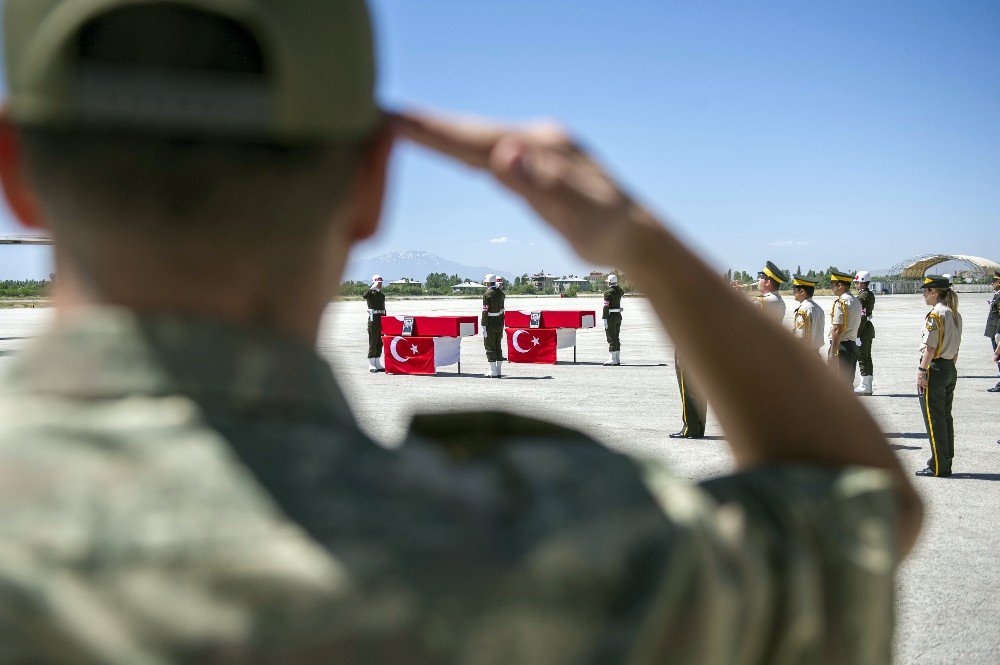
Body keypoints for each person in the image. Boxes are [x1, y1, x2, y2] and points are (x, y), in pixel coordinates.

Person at [0, 1, 922, 662]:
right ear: (370, 189)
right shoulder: (538, 553)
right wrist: (640, 243)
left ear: (15, 171)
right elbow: (856, 509)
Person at [916, 275, 963, 477]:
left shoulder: (936, 315)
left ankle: (938, 465)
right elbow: (956, 347)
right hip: (949, 367)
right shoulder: (954, 314)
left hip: (935, 369)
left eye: (926, 291)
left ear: (934, 292)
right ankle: (946, 459)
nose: (924, 295)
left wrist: (922, 371)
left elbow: (930, 347)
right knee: (945, 418)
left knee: (934, 419)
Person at [828, 270, 863, 384]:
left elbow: (837, 329)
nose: (832, 288)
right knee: (848, 384)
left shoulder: (841, 303)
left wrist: (832, 353)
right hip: (852, 346)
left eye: (833, 285)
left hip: (841, 348)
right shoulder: (856, 301)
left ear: (840, 285)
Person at [854, 271, 876, 395]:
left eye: (857, 283)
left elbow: (862, 317)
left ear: (862, 283)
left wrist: (857, 334)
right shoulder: (870, 294)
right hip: (867, 329)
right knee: (867, 357)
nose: (856, 285)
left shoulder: (862, 297)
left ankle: (865, 386)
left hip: (862, 330)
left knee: (862, 358)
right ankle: (867, 385)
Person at [791, 274, 825, 354]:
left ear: (802, 291)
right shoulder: (818, 309)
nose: (793, 292)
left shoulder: (802, 310)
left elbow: (800, 337)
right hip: (816, 353)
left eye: (795, 289)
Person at [481, 272, 505, 377]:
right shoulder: (501, 293)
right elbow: (502, 311)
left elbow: (485, 311)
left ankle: (493, 371)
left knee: (489, 346)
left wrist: (483, 325)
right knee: (498, 346)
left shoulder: (487, 294)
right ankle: (499, 370)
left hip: (490, 323)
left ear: (487, 283)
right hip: (499, 323)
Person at [363, 274, 386, 372]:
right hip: (373, 320)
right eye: (378, 283)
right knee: (373, 341)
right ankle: (371, 364)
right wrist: (371, 288)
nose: (380, 284)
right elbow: (364, 295)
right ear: (374, 282)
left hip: (381, 319)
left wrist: (386, 320)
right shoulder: (370, 293)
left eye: (381, 283)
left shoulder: (382, 295)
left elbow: (384, 308)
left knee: (380, 342)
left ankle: (377, 362)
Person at [602, 273, 623, 365]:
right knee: (616, 336)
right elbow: (620, 290)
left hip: (610, 317)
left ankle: (612, 359)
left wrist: (605, 317)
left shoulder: (608, 293)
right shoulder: (619, 291)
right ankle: (617, 358)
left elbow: (606, 307)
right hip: (618, 316)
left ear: (609, 282)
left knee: (611, 337)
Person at [986, 270, 1000, 392]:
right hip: (995, 329)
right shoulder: (997, 294)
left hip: (998, 331)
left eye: (994, 281)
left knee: (999, 356)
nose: (992, 283)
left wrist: (998, 333)